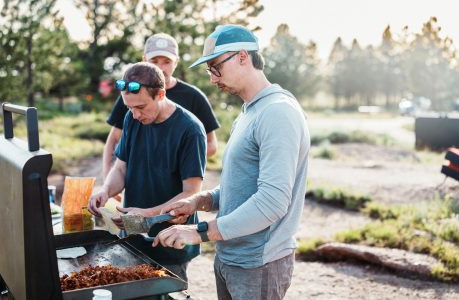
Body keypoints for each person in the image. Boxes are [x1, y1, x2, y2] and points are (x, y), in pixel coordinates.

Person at [153, 25, 311, 300]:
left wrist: (200, 232)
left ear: (242, 56)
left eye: (216, 67)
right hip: (232, 255)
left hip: (258, 263)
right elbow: (242, 186)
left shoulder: (277, 113)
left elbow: (273, 200)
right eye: (209, 70)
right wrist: (199, 201)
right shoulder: (250, 111)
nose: (213, 79)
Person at [88, 62, 207, 281]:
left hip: (169, 243)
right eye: (129, 107)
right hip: (131, 239)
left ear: (160, 94)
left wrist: (147, 214)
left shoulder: (190, 130)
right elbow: (121, 167)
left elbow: (191, 193)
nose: (134, 115)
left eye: (141, 107)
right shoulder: (131, 119)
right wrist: (105, 190)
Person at [102, 33, 220, 180]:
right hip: (136, 184)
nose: (160, 68)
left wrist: (175, 160)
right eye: (154, 61)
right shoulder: (130, 93)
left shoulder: (194, 96)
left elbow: (212, 145)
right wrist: (107, 177)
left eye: (166, 62)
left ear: (176, 62)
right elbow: (114, 139)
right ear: (144, 60)